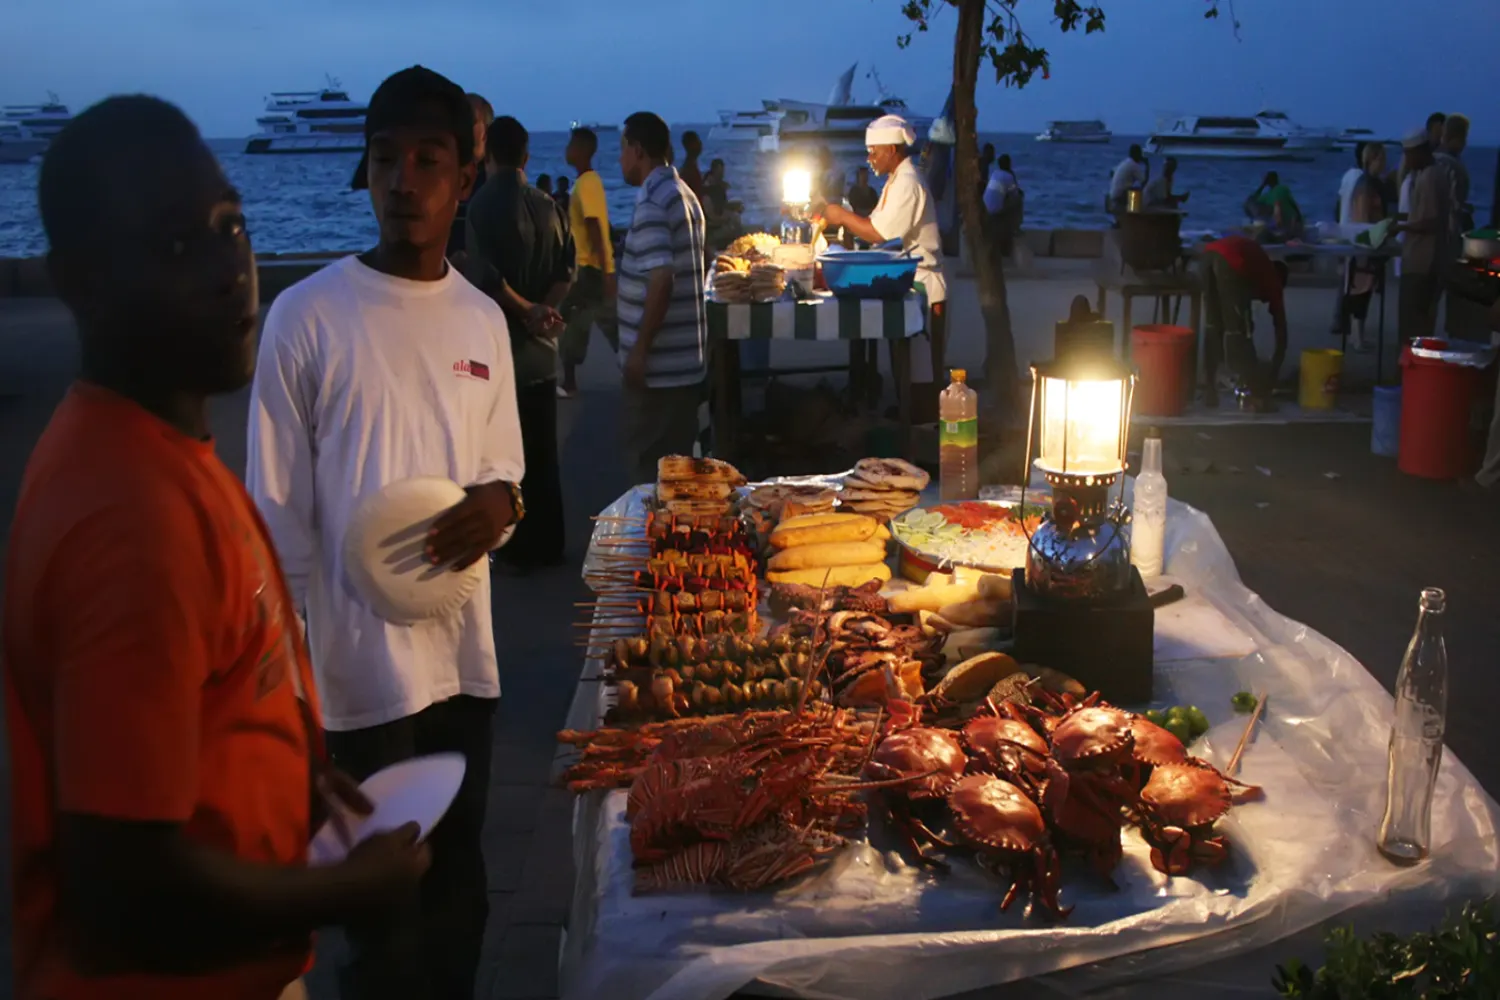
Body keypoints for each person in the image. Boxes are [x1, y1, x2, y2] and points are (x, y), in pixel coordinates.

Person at [5, 95, 429, 1000]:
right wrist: (346, 889)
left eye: (231, 225)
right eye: (173, 245)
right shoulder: (130, 517)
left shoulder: (166, 450)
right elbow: (125, 890)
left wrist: (293, 774)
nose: (229, 270)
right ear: (77, 280)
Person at [247, 65, 525, 1000]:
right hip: (354, 687)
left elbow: (508, 475)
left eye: (428, 160)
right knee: (383, 934)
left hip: (463, 670)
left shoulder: (484, 321)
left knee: (461, 904)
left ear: (463, 180)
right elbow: (275, 525)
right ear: (363, 174)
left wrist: (506, 509)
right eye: (384, 159)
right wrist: (289, 703)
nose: (404, 180)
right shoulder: (305, 318)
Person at [464, 115, 573, 571]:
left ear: (488, 154)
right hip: (543, 350)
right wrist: (543, 309)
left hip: (498, 350)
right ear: (527, 157)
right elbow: (569, 269)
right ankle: (551, 542)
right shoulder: (549, 204)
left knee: (504, 458)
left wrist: (522, 308)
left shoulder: (480, 206)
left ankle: (515, 547)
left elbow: (483, 276)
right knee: (545, 453)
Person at [817, 115, 947, 378]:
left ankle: (918, 417)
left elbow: (877, 233)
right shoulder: (897, 179)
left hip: (925, 285)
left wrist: (841, 216)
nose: (870, 159)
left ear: (890, 150)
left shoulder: (908, 182)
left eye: (873, 152)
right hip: (910, 279)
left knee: (920, 375)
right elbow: (873, 224)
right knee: (905, 368)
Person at [616, 111, 708, 483]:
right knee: (679, 478)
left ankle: (652, 542)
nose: (620, 158)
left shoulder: (654, 200)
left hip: (660, 373)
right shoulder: (683, 194)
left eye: (622, 149)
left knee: (650, 479)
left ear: (637, 150)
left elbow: (662, 278)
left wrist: (639, 350)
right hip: (683, 368)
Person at [1197, 233, 1290, 409]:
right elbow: (1281, 327)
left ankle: (1209, 391)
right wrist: (1275, 367)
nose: (1262, 300)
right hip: (1229, 261)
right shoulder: (1273, 280)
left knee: (1213, 326)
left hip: (1207, 256)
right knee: (1239, 331)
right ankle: (1257, 396)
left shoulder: (1257, 265)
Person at [559, 126, 618, 399]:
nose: (567, 149)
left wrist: (606, 270)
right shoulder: (585, 182)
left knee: (580, 320)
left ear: (582, 150)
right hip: (590, 268)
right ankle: (570, 380)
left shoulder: (587, 183)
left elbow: (595, 226)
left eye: (571, 144)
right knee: (598, 320)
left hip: (588, 268)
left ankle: (570, 381)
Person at [1394, 128, 1450, 341]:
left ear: (1419, 152)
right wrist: (1397, 218)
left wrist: (1400, 227)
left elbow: (1430, 221)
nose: (1406, 160)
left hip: (1422, 263)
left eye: (1408, 154)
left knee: (1412, 327)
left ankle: (1410, 371)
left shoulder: (1429, 177)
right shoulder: (1430, 174)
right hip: (1423, 261)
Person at [1339, 142, 1390, 351]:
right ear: (1372, 160)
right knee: (1359, 290)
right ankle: (1355, 335)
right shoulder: (1365, 184)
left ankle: (1357, 334)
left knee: (1365, 290)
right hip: (1365, 243)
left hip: (1372, 240)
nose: (1384, 164)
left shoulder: (1373, 183)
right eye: (1381, 159)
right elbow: (1362, 216)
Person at [446, 93, 492, 261]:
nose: (460, 126)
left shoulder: (493, 183)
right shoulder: (441, 177)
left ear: (486, 132)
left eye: (469, 120)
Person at [1435, 113, 1473, 242]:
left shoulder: (1435, 159)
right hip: (1445, 233)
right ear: (1456, 137)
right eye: (1464, 137)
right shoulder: (1448, 164)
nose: (1465, 143)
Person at [982, 153, 1022, 258]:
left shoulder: (995, 173)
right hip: (995, 211)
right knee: (1018, 201)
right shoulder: (1008, 176)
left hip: (985, 208)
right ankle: (1016, 226)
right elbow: (1015, 194)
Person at [1246, 171, 1303, 240]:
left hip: (1285, 226)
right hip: (1288, 224)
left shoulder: (1275, 193)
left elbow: (1252, 199)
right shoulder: (1276, 192)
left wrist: (1262, 186)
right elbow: (1295, 205)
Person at [1108, 144, 1148, 214]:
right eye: (1140, 154)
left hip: (1114, 195)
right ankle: (1133, 213)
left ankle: (1131, 211)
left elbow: (1111, 172)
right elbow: (1144, 182)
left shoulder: (1126, 162)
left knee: (1133, 189)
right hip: (1120, 196)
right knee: (1136, 191)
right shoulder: (1134, 165)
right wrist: (1147, 166)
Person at [679, 130, 705, 201]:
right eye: (697, 141)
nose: (700, 144)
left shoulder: (690, 166)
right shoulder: (688, 169)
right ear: (691, 145)